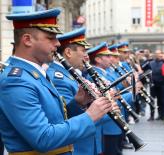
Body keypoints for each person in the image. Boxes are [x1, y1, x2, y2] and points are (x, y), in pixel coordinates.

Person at [0, 8, 112, 154]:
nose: (58, 44)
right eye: (51, 37)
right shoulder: (16, 81)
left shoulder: (33, 73)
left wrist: (77, 103)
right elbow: (43, 138)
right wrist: (90, 116)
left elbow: (55, 121)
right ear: (27, 40)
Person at [46, 28, 99, 155]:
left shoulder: (70, 75)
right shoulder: (58, 77)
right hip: (76, 147)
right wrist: (101, 109)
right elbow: (63, 116)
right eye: (83, 51)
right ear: (68, 52)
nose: (87, 55)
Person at [87, 42, 125, 155]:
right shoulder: (93, 75)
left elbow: (116, 91)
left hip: (112, 120)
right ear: (98, 59)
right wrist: (129, 93)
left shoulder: (104, 73)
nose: (112, 58)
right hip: (106, 125)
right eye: (108, 56)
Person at [149, 50, 164, 121]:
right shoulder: (151, 63)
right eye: (156, 54)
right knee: (151, 100)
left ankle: (160, 115)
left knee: (160, 100)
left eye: (159, 54)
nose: (158, 55)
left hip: (161, 84)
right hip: (152, 84)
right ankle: (151, 115)